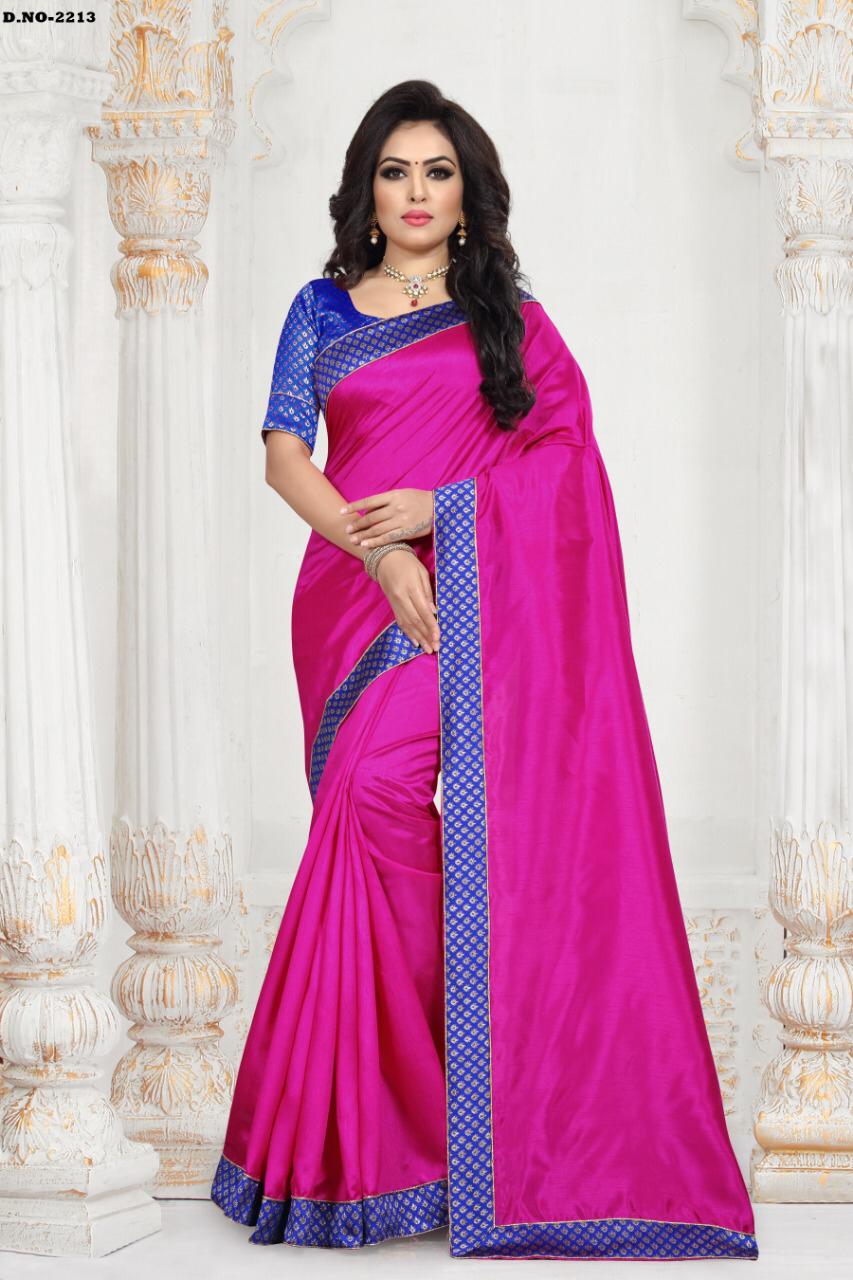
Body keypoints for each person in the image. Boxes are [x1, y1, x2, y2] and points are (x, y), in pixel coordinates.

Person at [210, 79, 759, 1261]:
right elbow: (284, 456)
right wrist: (378, 552)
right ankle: (425, 1122)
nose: (415, 192)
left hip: (473, 601)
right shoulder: (319, 306)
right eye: (395, 171)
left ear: (468, 196)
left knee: (380, 807)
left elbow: (568, 463)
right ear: (365, 190)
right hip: (350, 602)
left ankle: (458, 1107)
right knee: (364, 809)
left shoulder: (506, 314)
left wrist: (445, 515)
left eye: (438, 172)